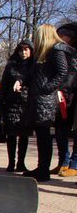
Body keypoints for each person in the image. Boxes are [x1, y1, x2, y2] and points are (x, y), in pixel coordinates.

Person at [22, 24, 70, 182]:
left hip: (46, 100)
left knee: (44, 135)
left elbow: (62, 72)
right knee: (41, 135)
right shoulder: (43, 54)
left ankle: (43, 170)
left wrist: (46, 88)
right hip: (39, 99)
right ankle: (41, 167)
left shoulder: (56, 50)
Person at [0, 40, 34, 172]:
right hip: (11, 104)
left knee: (24, 136)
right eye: (21, 50)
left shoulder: (34, 66)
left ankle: (21, 163)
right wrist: (0, 104)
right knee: (11, 135)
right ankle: (11, 162)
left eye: (27, 49)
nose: (24, 53)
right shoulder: (11, 65)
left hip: (26, 105)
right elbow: (4, 85)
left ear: (31, 50)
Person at [53, 23, 77, 177]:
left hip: (72, 94)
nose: (61, 37)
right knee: (60, 130)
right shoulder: (58, 51)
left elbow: (71, 74)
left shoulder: (73, 54)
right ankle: (63, 161)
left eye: (64, 35)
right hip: (61, 94)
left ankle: (74, 164)